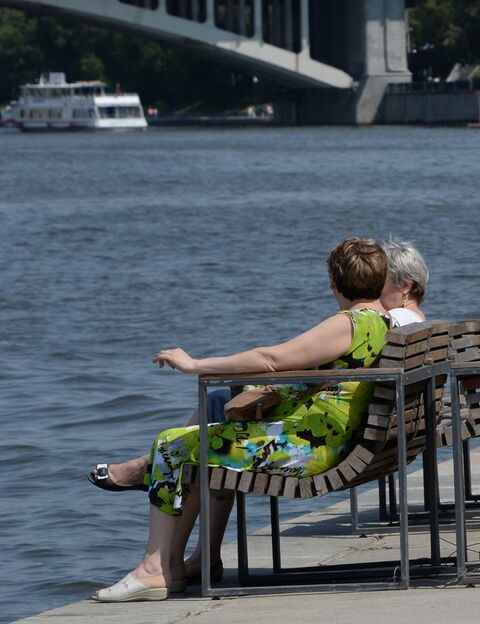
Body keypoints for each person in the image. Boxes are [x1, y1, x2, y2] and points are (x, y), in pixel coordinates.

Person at [91, 237, 393, 602]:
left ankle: (154, 569)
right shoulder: (384, 321)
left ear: (333, 282)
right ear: (382, 277)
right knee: (206, 445)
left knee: (170, 444)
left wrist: (196, 365)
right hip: (337, 442)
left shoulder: (348, 323)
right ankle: (173, 565)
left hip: (306, 450)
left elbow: (272, 359)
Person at [380, 237, 429, 325]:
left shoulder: (396, 318)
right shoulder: (418, 317)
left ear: (405, 286)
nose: (374, 288)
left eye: (380, 281)